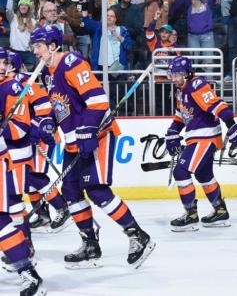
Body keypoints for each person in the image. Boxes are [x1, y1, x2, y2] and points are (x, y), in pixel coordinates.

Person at [31, 25, 155, 269]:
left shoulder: (72, 63)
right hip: (72, 142)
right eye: (33, 47)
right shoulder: (48, 73)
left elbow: (97, 101)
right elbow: (59, 109)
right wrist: (46, 125)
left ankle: (137, 236)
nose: (35, 52)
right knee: (71, 192)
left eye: (39, 46)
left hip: (96, 136)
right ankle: (89, 244)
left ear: (53, 45)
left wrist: (87, 129)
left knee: (96, 190)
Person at [164, 56, 237, 231]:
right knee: (203, 175)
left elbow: (218, 106)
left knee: (181, 172)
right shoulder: (180, 91)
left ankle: (191, 215)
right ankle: (220, 211)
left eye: (177, 75)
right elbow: (181, 116)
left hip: (205, 137)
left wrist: (232, 125)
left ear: (187, 74)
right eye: (171, 75)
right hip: (196, 137)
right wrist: (172, 132)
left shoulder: (197, 85)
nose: (173, 78)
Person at [5, 50, 70, 234]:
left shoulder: (25, 81)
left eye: (5, 63)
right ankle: (42, 214)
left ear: (12, 65)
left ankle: (62, 206)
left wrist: (34, 127)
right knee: (28, 180)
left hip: (41, 135)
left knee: (35, 177)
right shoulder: (7, 83)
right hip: (26, 139)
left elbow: (45, 107)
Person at [0, 65, 45, 293]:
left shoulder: (8, 88)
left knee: (5, 215)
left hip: (8, 157)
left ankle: (26, 267)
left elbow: (18, 128)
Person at [187, 0, 225, 70]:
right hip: (193, 37)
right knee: (193, 63)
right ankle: (193, 83)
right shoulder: (189, 3)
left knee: (208, 62)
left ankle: (209, 82)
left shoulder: (207, 0)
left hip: (207, 36)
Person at [82, 8, 132, 74]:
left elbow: (129, 46)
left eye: (111, 16)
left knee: (116, 83)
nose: (109, 18)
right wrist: (85, 14)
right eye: (107, 15)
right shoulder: (99, 27)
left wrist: (118, 36)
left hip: (117, 67)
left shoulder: (122, 30)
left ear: (116, 19)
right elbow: (87, 23)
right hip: (101, 66)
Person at [6, 0, 37, 71]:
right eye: (21, 5)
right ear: (19, 7)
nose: (23, 7)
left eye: (26, 5)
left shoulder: (33, 21)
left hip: (28, 54)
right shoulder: (13, 18)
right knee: (14, 77)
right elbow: (9, 8)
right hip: (14, 52)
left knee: (27, 79)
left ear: (29, 8)